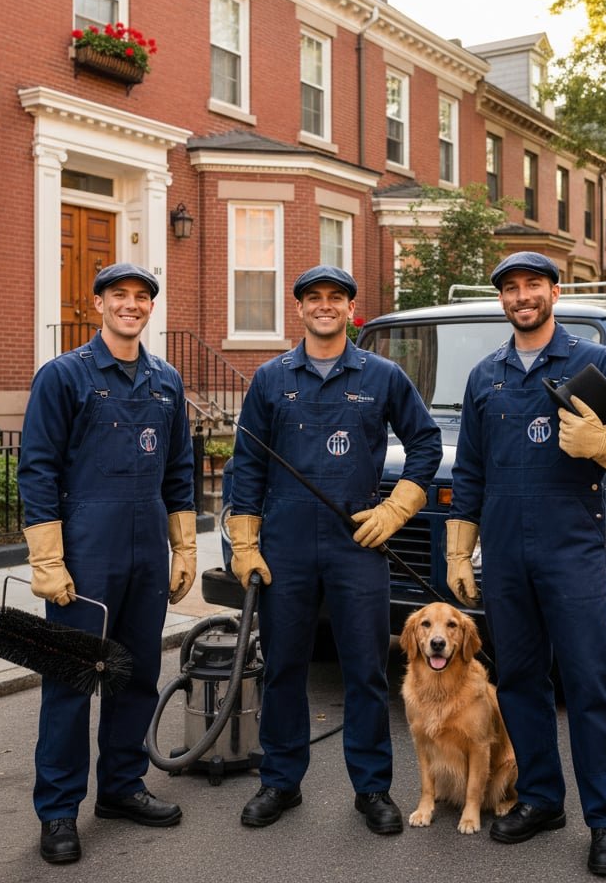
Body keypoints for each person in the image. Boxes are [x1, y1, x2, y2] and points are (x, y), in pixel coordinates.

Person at [445, 252, 606, 877]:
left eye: (532, 285)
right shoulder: (487, 376)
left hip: (573, 550)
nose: (521, 297)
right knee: (519, 682)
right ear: (503, 301)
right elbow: (471, 471)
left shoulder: (592, 361)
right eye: (510, 289)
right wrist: (461, 550)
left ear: (554, 292)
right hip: (506, 556)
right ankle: (541, 798)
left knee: (590, 685)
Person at [228, 265, 442, 835]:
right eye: (313, 298)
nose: (324, 306)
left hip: (357, 545)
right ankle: (280, 781)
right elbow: (246, 463)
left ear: (351, 309)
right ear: (299, 308)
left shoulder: (383, 374)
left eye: (336, 298)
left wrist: (397, 509)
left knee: (366, 670)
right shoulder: (271, 379)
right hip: (286, 545)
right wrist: (244, 542)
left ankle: (372, 788)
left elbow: (425, 442)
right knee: (284, 668)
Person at [17, 262, 196, 865]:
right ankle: (59, 811)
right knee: (71, 680)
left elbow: (179, 471)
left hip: (147, 552)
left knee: (135, 675)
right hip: (85, 553)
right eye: (119, 295)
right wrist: (47, 557)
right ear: (97, 304)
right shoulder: (63, 376)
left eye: (141, 297)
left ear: (150, 308)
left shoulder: (166, 381)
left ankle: (121, 788)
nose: (131, 305)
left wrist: (184, 547)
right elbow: (37, 469)